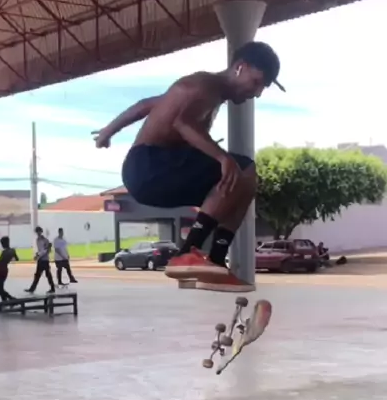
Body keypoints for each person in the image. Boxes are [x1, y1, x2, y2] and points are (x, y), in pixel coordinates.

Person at [92, 41, 284, 291]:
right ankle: (186, 253)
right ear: (240, 67)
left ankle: (215, 263)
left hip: (151, 169)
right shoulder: (206, 86)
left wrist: (108, 131)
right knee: (241, 169)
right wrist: (221, 157)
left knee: (241, 183)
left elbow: (145, 105)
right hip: (150, 165)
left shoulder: (205, 91)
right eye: (256, 82)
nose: (256, 93)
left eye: (262, 88)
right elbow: (183, 123)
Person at [25, 226, 55, 294]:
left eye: (39, 231)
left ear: (41, 232)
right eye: (37, 232)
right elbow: (40, 250)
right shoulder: (37, 240)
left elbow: (48, 250)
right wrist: (37, 255)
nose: (38, 233)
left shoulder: (45, 240)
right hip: (40, 260)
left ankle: (52, 288)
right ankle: (32, 289)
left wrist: (38, 255)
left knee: (48, 275)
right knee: (38, 275)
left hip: (45, 260)